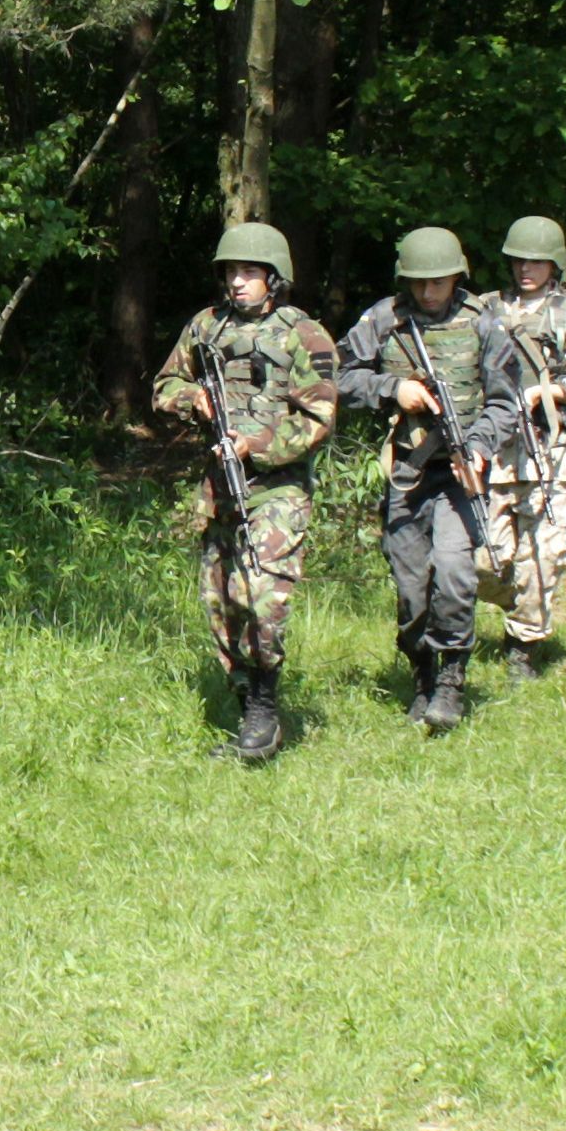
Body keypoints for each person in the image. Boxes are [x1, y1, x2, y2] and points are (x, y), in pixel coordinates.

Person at [150, 221, 340, 760]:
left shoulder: (304, 335)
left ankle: (264, 706)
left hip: (277, 490)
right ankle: (246, 705)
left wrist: (256, 444)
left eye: (249, 272)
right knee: (220, 605)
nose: (237, 282)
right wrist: (194, 400)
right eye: (230, 272)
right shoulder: (205, 327)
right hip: (219, 491)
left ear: (275, 278)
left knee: (259, 597)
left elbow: (318, 418)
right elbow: (163, 387)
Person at [336, 227, 521, 732]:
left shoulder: (484, 323)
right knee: (411, 588)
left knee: (457, 574)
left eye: (438, 282)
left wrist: (479, 448)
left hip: (462, 476)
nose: (429, 293)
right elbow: (335, 375)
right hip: (407, 473)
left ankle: (451, 683)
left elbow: (508, 403)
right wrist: (394, 388)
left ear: (457, 277)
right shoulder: (382, 319)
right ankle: (421, 675)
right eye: (419, 283)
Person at [473, 217, 566, 683]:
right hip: (491, 449)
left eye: (535, 260)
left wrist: (546, 393)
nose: (525, 269)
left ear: (552, 263)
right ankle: (520, 603)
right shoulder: (486, 309)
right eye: (518, 260)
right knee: (483, 559)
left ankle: (523, 645)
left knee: (543, 552)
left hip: (547, 449)